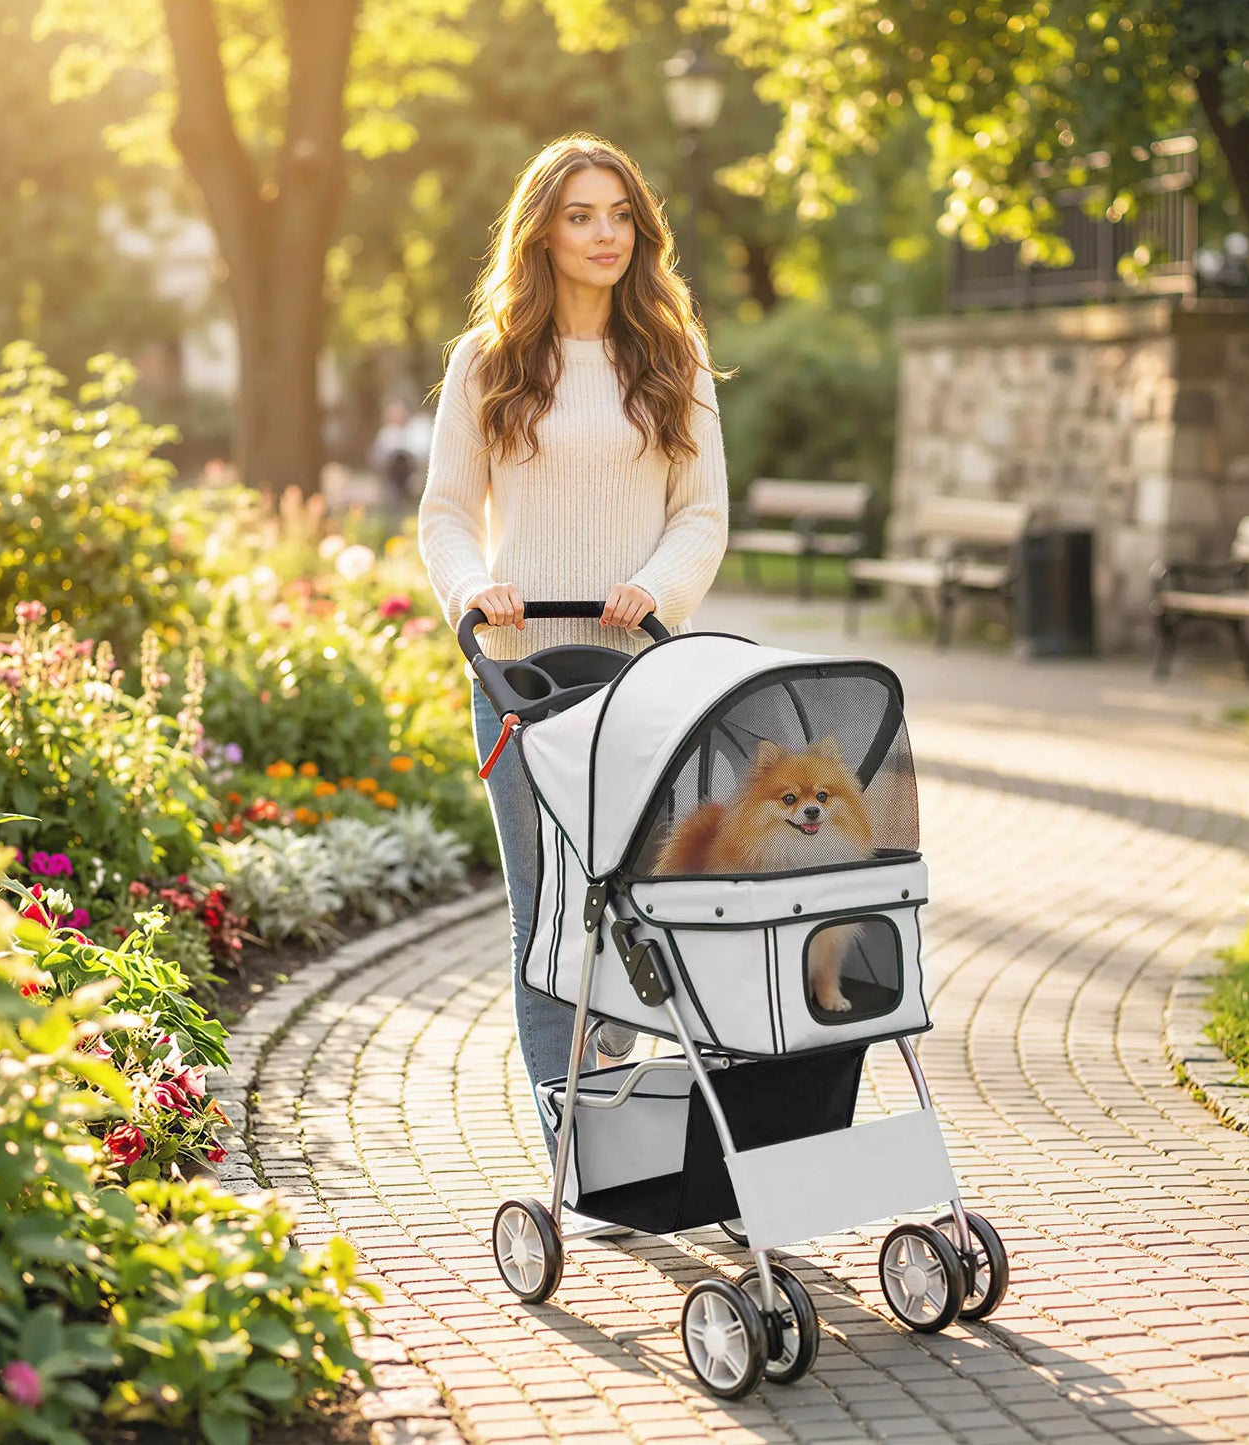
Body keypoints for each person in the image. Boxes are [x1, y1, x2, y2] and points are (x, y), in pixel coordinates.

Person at [416, 135, 729, 1222]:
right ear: (541, 230)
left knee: (635, 907)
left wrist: (655, 585)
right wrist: (472, 587)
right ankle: (578, 1150)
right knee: (546, 910)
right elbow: (447, 513)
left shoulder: (671, 357)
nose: (605, 234)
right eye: (581, 215)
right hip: (517, 676)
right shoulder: (488, 359)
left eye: (620, 215)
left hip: (635, 675)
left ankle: (637, 1135)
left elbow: (701, 513)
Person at [371, 400, 433, 504]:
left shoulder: (419, 427)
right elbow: (378, 457)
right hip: (393, 469)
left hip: (411, 466)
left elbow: (423, 453)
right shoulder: (388, 433)